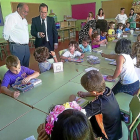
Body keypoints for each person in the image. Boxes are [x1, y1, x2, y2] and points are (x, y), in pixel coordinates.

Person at [69, 70, 122, 140]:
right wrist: (86, 94)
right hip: (115, 129)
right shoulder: (107, 90)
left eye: (88, 91)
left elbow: (79, 115)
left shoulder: (98, 104)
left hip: (108, 135)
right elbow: (96, 93)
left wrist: (72, 101)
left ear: (94, 92)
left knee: (78, 129)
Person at [3, 3, 30, 67]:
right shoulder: (11, 17)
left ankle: (25, 77)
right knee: (17, 67)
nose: (26, 14)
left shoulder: (24, 19)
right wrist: (11, 42)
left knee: (26, 66)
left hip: (26, 47)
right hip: (17, 46)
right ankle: (20, 77)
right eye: (24, 11)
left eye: (27, 12)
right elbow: (6, 33)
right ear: (18, 9)